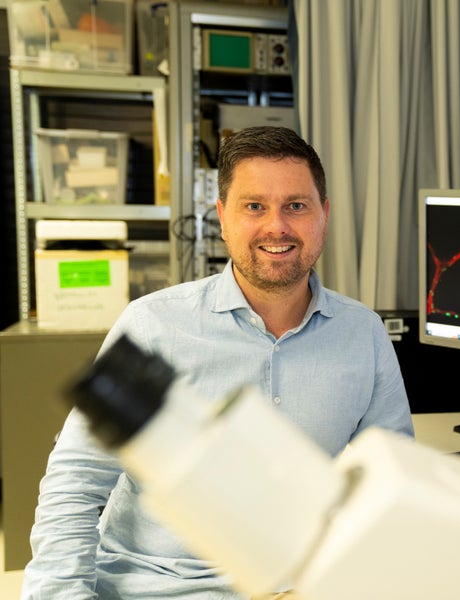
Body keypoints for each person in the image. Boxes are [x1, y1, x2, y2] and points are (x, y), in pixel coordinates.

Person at [21, 126, 415, 598]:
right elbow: (76, 484)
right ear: (223, 218)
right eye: (255, 207)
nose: (277, 226)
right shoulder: (154, 324)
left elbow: (396, 486)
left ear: (323, 215)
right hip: (159, 585)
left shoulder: (363, 333)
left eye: (296, 205)